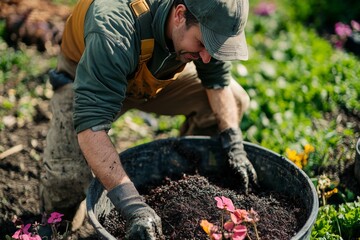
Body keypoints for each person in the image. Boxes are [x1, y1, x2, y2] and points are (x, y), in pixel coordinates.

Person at [40, 0, 258, 238]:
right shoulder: (114, 28)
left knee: (234, 100)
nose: (207, 57)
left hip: (152, 77)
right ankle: (62, 224)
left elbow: (216, 81)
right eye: (203, 44)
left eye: (215, 47)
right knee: (67, 177)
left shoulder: (205, 22)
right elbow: (92, 125)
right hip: (89, 79)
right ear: (180, 15)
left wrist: (234, 144)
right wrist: (134, 207)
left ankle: (185, 175)